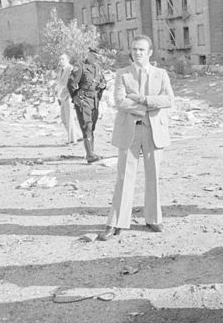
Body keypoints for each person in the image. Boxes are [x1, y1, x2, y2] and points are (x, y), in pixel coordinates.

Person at [98, 35, 174, 240]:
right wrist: (148, 107)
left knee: (153, 176)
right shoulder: (122, 74)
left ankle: (154, 218)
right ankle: (116, 222)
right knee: (124, 177)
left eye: (141, 49)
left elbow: (168, 99)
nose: (137, 53)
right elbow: (120, 102)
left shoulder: (161, 74)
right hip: (130, 131)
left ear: (150, 52)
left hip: (154, 131)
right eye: (134, 49)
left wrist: (142, 99)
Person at [68, 47, 107, 163]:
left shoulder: (97, 68)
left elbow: (103, 82)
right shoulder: (80, 66)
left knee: (92, 127)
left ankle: (92, 152)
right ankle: (89, 155)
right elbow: (71, 83)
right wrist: (75, 97)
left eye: (98, 58)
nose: (96, 59)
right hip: (83, 99)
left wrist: (101, 87)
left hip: (94, 100)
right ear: (89, 55)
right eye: (94, 57)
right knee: (87, 126)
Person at [56, 53, 81, 145]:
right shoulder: (60, 71)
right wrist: (58, 95)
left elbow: (73, 83)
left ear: (68, 60)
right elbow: (60, 84)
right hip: (62, 96)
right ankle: (78, 136)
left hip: (69, 96)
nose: (61, 61)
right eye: (60, 59)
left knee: (70, 118)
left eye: (63, 59)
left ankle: (72, 140)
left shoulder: (70, 69)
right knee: (64, 118)